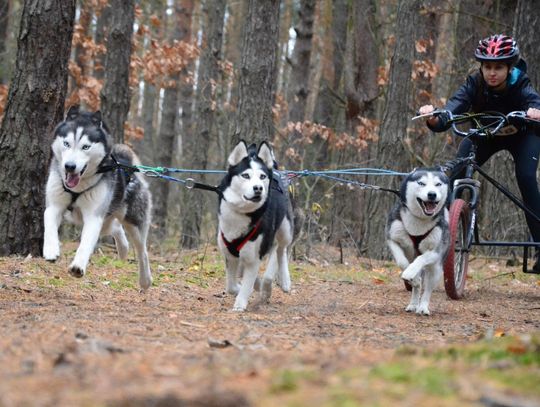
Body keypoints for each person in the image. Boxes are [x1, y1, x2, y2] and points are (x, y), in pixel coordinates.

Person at [418, 34, 540, 273]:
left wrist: (535, 113)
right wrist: (434, 117)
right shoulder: (474, 84)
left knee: (526, 178)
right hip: (485, 134)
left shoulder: (521, 83)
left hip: (523, 136)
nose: (491, 72)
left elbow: (534, 102)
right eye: (487, 67)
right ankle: (436, 239)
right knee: (452, 174)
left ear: (509, 68)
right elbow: (453, 108)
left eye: (498, 67)